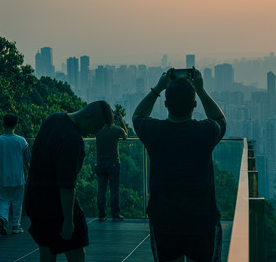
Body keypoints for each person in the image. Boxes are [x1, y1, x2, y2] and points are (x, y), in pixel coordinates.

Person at [133, 68, 227, 262]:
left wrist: (158, 87)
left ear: (166, 104)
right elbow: (220, 120)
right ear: (194, 104)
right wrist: (200, 90)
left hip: (164, 219)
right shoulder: (205, 132)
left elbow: (138, 116)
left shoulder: (154, 131)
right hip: (202, 219)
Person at [24, 101, 113, 262]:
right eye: (97, 127)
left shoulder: (54, 119)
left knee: (47, 250)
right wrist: (68, 221)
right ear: (88, 117)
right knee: (76, 252)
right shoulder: (73, 140)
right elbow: (67, 185)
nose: (95, 133)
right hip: (56, 206)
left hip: (35, 200)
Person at [0, 114, 31, 235]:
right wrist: (29, 175)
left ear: (4, 124)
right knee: (17, 201)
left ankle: (3, 218)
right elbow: (27, 161)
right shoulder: (21, 141)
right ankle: (16, 226)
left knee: (3, 200)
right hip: (18, 177)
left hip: (2, 177)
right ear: (16, 125)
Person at [95, 111, 128, 222]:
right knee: (114, 190)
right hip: (113, 163)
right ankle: (116, 214)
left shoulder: (98, 130)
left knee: (101, 190)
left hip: (100, 163)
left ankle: (102, 215)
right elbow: (125, 135)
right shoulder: (116, 130)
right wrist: (121, 120)